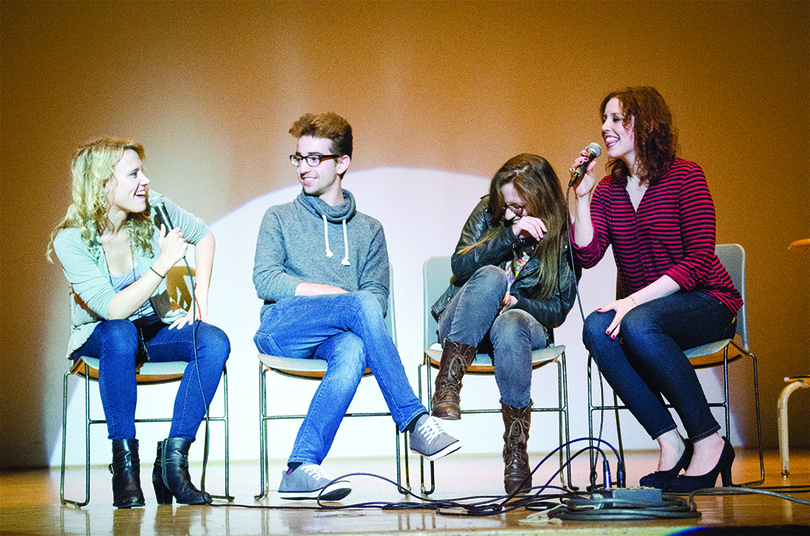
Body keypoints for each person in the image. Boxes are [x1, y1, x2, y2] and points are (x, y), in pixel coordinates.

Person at [253, 112, 460, 501]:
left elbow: (377, 297)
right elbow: (266, 280)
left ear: (342, 163)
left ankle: (299, 466)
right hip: (283, 328)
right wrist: (335, 295)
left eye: (314, 158)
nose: (303, 167)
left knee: (352, 350)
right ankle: (415, 419)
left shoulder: (369, 229)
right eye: (298, 157)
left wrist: (347, 305)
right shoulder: (279, 217)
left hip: (335, 336)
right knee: (358, 305)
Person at [570, 87, 742, 492]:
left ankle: (709, 441)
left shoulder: (686, 176)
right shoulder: (609, 190)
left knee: (638, 323)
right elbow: (588, 254)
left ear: (646, 124)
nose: (605, 127)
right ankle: (670, 442)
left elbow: (698, 261)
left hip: (708, 301)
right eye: (604, 118)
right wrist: (582, 198)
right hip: (647, 314)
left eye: (616, 119)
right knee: (595, 328)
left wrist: (631, 302)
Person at [47, 139, 230, 508]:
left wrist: (201, 297)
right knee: (120, 332)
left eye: (142, 171)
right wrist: (162, 264)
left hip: (152, 326)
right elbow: (112, 310)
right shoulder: (71, 240)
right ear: (103, 185)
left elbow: (204, 235)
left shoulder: (154, 208)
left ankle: (173, 463)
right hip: (103, 335)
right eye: (133, 174)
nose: (145, 180)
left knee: (213, 341)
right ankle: (125, 469)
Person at [430, 153, 579, 494]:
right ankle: (448, 386)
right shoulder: (490, 211)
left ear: (540, 198)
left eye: (519, 206)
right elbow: (460, 265)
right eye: (506, 205)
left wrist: (518, 303)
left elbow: (558, 309)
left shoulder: (561, 235)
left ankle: (516, 451)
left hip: (519, 330)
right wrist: (510, 234)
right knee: (493, 276)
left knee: (511, 322)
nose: (510, 212)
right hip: (463, 321)